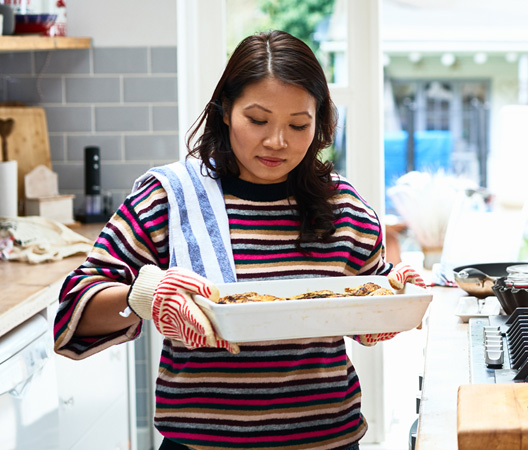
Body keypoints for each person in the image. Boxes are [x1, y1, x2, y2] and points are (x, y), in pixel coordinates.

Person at [53, 31, 421, 449]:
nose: (277, 141)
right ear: (226, 110)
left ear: (319, 123)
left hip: (326, 440)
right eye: (258, 120)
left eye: (298, 125)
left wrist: (397, 300)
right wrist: (145, 297)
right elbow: (74, 310)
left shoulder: (343, 209)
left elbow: (370, 307)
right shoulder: (170, 197)